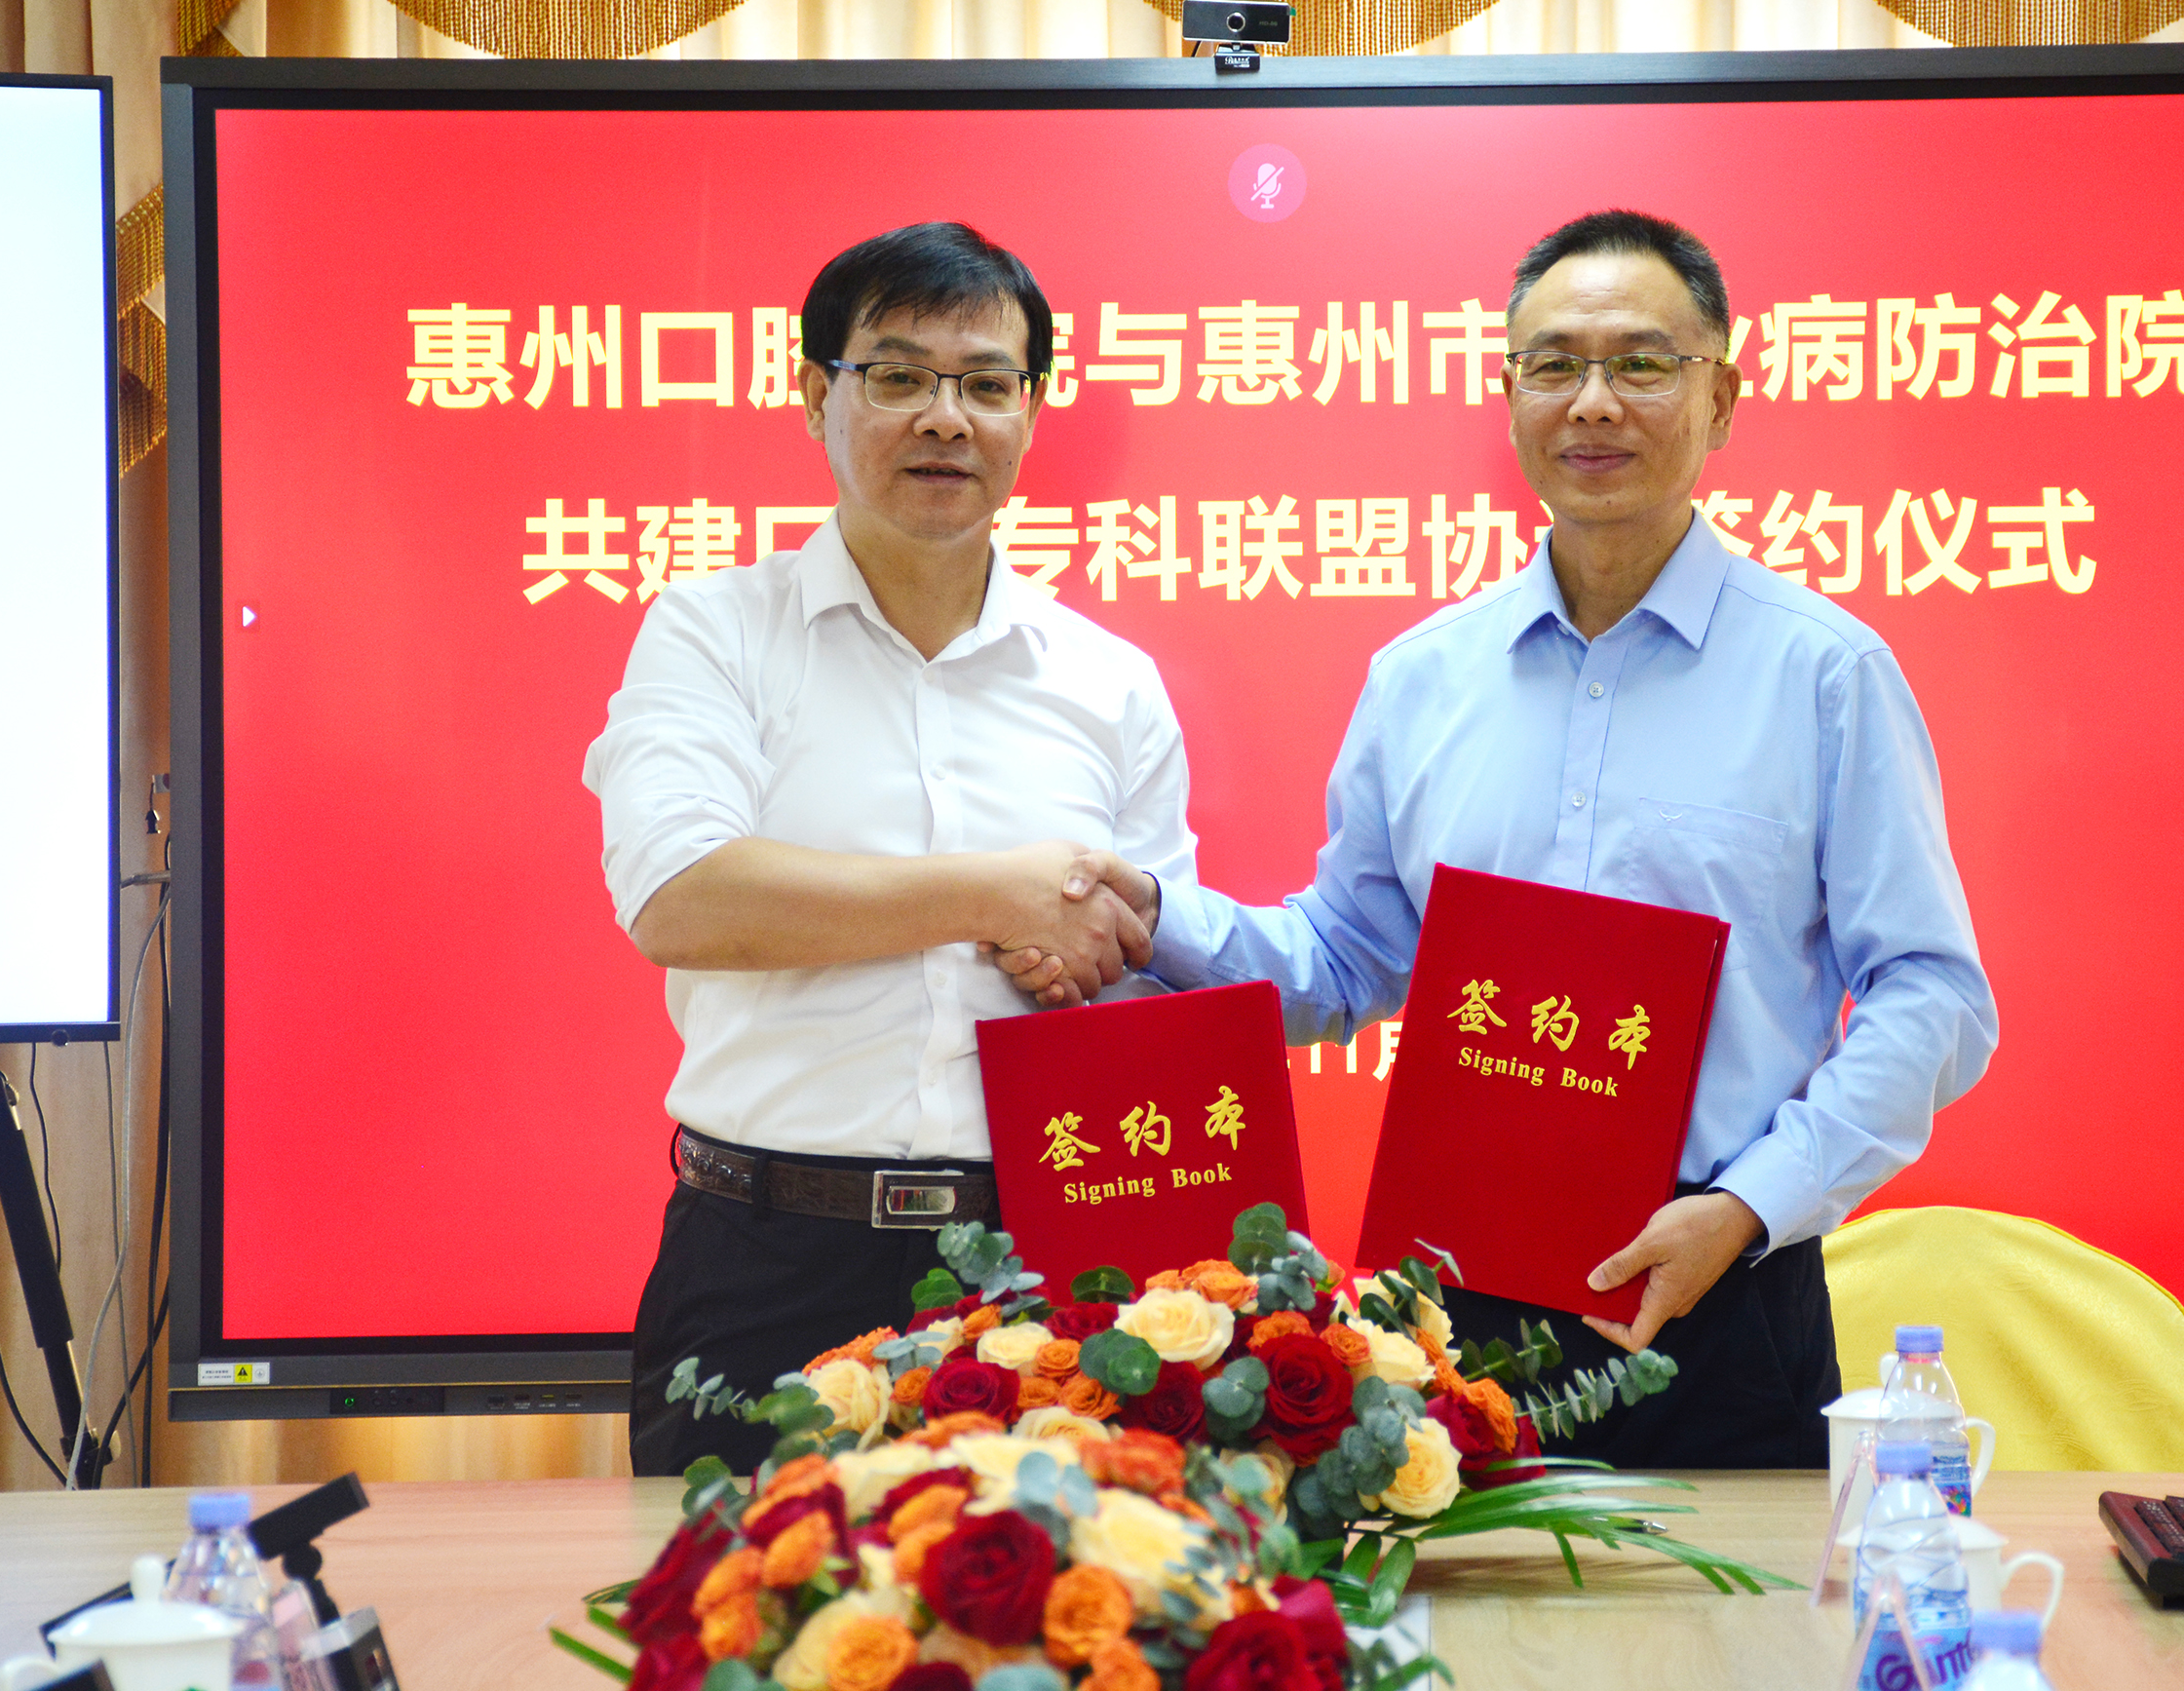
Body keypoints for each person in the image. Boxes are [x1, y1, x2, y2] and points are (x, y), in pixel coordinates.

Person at [1001, 209, 1997, 1467]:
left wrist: (1751, 1205)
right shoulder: (1423, 678)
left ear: (1723, 399)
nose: (1595, 402)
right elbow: (1347, 959)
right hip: (1459, 1309)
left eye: (1642, 364)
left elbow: (1933, 996)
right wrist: (1154, 917)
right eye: (1554, 364)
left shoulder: (1826, 675)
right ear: (1510, 392)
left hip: (1724, 1290)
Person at [584, 220, 1196, 1477]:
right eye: (900, 376)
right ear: (817, 394)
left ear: (1032, 409)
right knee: (746, 1604)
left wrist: (1084, 970)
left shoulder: (1111, 683)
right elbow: (683, 897)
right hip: (764, 1260)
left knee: (1049, 1598)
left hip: (1034, 1273)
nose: (945, 419)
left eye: (985, 384)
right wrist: (999, 895)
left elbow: (1146, 966)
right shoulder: (714, 632)